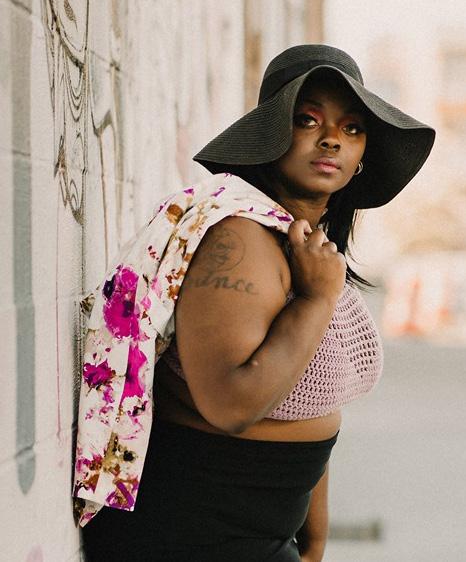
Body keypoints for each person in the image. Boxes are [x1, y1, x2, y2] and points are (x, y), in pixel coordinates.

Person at [75, 44, 435, 561]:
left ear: (361, 159)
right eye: (308, 119)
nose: (332, 138)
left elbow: (310, 400)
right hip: (190, 533)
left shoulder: (305, 245)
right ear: (271, 135)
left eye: (352, 128)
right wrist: (315, 300)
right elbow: (231, 404)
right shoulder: (238, 238)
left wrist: (313, 539)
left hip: (259, 534)